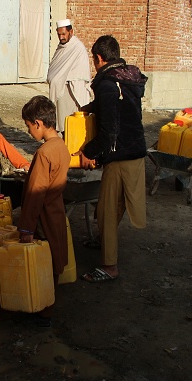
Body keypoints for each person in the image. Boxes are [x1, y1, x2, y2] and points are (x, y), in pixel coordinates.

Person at [75, 35, 148, 282]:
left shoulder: (107, 84)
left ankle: (109, 267)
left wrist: (88, 152)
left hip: (119, 156)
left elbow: (110, 131)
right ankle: (105, 243)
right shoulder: (127, 79)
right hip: (136, 152)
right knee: (115, 207)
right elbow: (119, 108)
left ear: (99, 58)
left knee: (106, 210)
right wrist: (91, 108)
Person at [17, 95, 71, 327]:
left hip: (43, 215)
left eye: (29, 126)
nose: (29, 131)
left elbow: (35, 193)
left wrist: (27, 226)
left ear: (38, 123)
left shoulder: (44, 153)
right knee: (54, 260)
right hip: (57, 211)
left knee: (42, 264)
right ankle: (49, 307)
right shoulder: (61, 146)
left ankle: (41, 310)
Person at [46, 19, 92, 134]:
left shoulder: (77, 47)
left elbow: (80, 72)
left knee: (69, 124)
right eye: (59, 34)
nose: (61, 37)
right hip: (60, 91)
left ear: (70, 32)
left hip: (72, 90)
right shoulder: (61, 47)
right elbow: (56, 68)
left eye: (63, 34)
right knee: (60, 122)